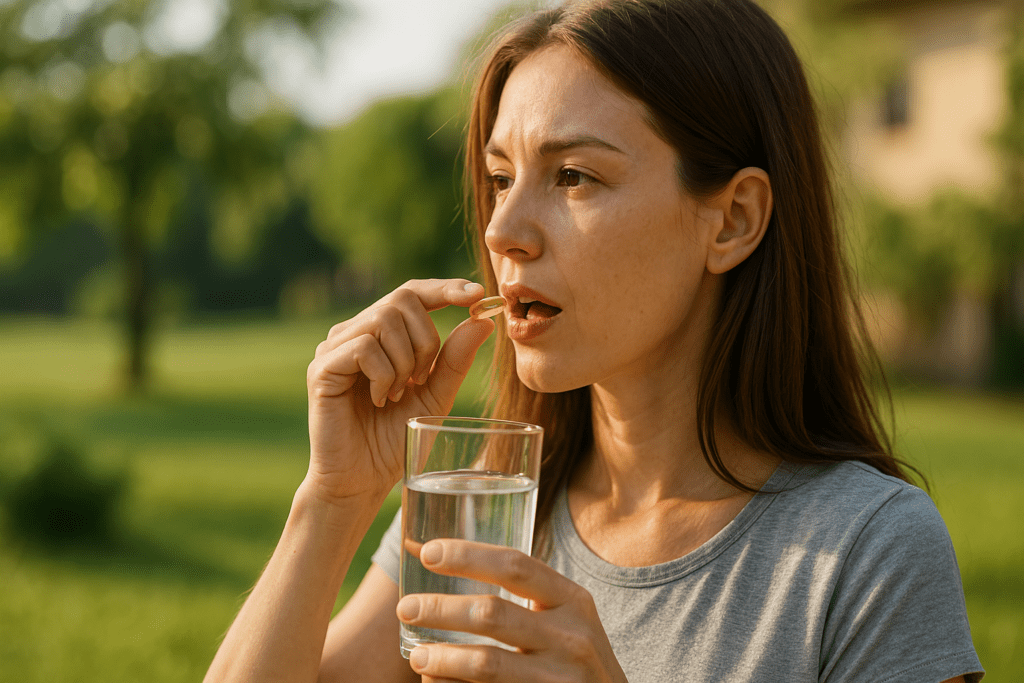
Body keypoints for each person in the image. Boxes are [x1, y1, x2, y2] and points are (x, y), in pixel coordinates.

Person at [204, 1, 984, 681]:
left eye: (573, 176)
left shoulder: (867, 551)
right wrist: (332, 500)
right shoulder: (488, 509)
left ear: (735, 218)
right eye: (501, 178)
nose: (502, 230)